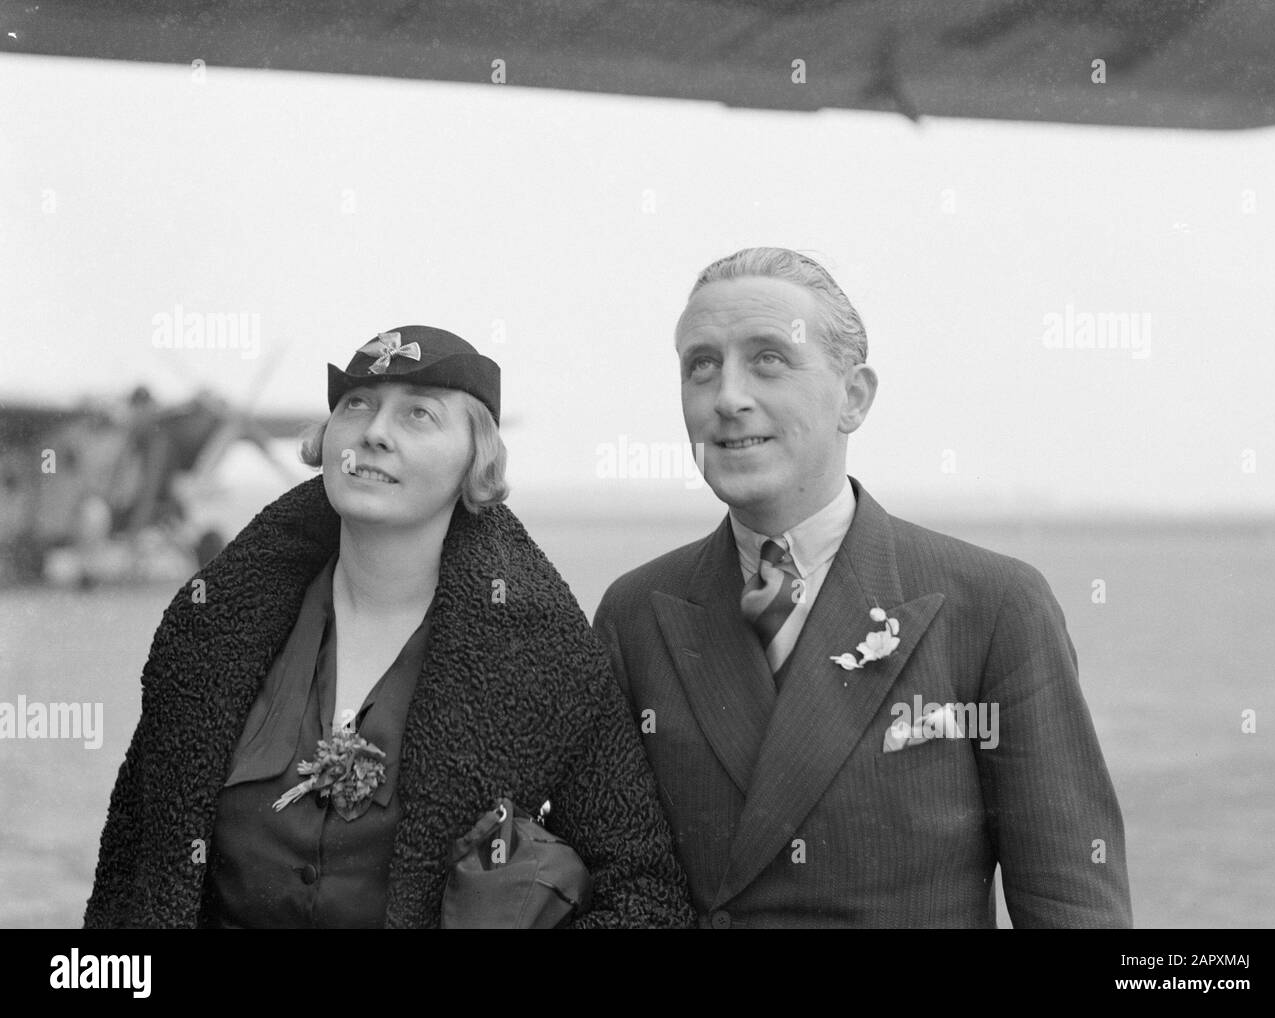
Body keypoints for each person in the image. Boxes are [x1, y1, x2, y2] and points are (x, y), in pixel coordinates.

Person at [85, 325, 694, 928]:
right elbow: (129, 876)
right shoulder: (211, 631)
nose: (374, 433)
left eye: (419, 415)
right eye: (356, 406)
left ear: (474, 461)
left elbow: (644, 894)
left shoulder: (546, 657)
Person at [594, 249, 1132, 929]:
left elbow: (1070, 904)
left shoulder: (993, 607)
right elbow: (609, 882)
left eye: (768, 359)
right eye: (701, 365)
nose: (727, 397)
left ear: (854, 396)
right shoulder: (635, 614)